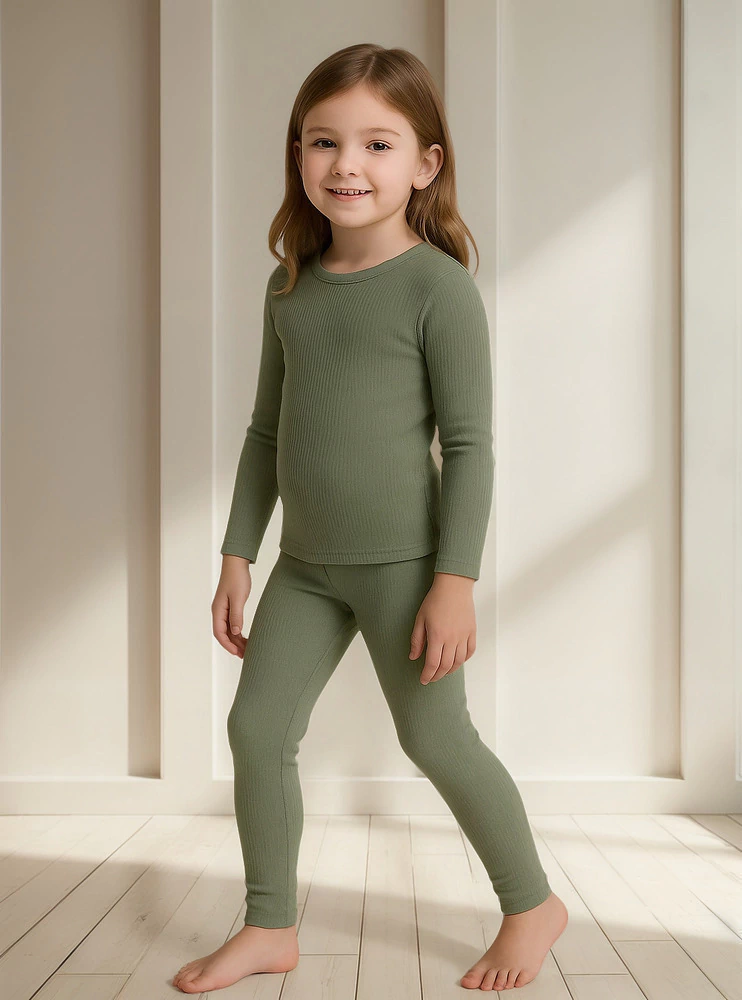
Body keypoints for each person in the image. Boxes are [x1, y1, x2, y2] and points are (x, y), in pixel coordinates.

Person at [172, 42, 567, 995]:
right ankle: (270, 924)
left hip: (406, 567)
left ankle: (532, 906)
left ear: (425, 164)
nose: (346, 165)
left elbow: (469, 448)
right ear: (298, 155)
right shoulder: (291, 285)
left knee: (435, 740)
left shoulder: (438, 288)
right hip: (305, 566)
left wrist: (454, 583)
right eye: (324, 142)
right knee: (256, 731)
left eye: (377, 144)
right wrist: (236, 554)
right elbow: (266, 432)